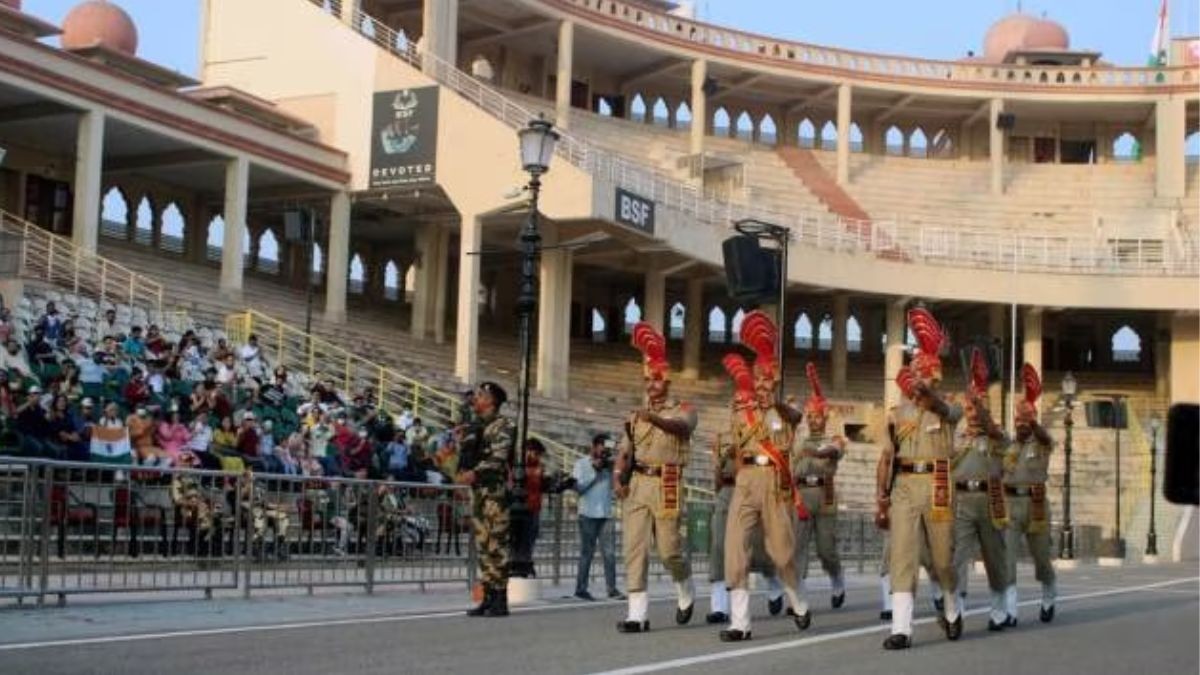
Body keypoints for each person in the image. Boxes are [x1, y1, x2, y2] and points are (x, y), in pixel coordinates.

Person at [718, 311, 809, 642]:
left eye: (766, 379)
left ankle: (798, 600)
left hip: (774, 482)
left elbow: (796, 418)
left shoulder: (785, 410)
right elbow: (730, 447)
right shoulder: (741, 410)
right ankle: (740, 623)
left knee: (782, 553)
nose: (760, 384)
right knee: (735, 548)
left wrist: (775, 404)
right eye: (757, 378)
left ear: (776, 380)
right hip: (745, 480)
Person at [878, 307, 963, 650]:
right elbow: (887, 458)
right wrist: (881, 498)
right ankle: (901, 628)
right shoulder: (896, 414)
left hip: (938, 483)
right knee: (902, 555)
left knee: (942, 559)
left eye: (923, 373)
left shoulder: (949, 407)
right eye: (914, 372)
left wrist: (930, 397)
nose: (918, 378)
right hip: (904, 486)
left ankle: (952, 607)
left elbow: (945, 409)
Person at [614, 322, 697, 634]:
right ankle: (637, 615)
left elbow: (683, 428)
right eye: (647, 379)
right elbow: (625, 450)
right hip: (638, 482)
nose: (651, 384)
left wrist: (656, 419)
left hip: (668, 482)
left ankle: (684, 584)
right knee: (633, 548)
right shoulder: (636, 416)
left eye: (657, 379)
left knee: (669, 549)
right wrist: (618, 477)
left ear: (668, 381)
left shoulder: (683, 408)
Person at [951, 348, 1012, 632]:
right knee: (957, 558)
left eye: (979, 407)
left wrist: (983, 413)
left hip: (990, 501)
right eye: (971, 408)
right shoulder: (956, 435)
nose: (975, 413)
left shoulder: (998, 435)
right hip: (961, 500)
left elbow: (997, 434)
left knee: (994, 558)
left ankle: (999, 610)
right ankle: (955, 610)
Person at [1003, 363, 1057, 625]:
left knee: (1042, 559)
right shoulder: (1008, 444)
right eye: (1018, 421)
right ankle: (1011, 611)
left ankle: (1048, 595)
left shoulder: (1043, 442)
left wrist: (1033, 422)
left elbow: (1045, 437)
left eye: (1024, 421)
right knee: (1007, 558)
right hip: (1010, 503)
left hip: (1035, 503)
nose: (1020, 425)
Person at [793, 363, 848, 609]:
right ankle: (798, 596)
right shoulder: (799, 440)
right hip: (802, 495)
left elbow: (835, 451)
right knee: (798, 547)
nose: (813, 420)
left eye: (817, 416)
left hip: (825, 495)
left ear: (824, 417)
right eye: (810, 416)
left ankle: (836, 577)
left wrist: (815, 451)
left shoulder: (833, 438)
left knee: (826, 549)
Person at [458, 381, 515, 618]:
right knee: (483, 546)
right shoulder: (475, 425)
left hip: (495, 493)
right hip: (478, 493)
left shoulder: (504, 425)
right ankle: (487, 597)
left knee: (496, 546)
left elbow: (498, 457)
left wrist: (474, 473)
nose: (476, 399)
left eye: (481, 396)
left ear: (491, 401)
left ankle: (500, 599)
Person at [511, 437, 546, 578]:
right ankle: (516, 566)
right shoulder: (517, 466)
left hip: (534, 508)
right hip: (520, 509)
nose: (538, 457)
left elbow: (542, 485)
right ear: (528, 451)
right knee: (518, 540)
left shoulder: (539, 467)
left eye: (539, 455)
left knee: (530, 540)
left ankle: (525, 565)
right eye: (536, 454)